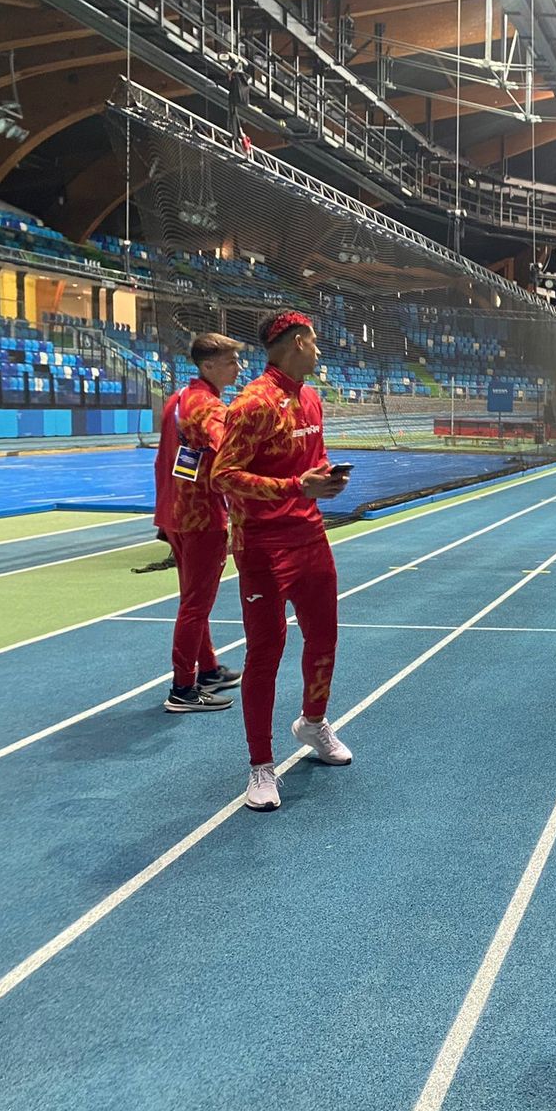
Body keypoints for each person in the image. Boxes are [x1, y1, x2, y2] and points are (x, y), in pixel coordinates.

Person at [213, 312, 352, 812]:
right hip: (262, 547)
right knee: (266, 652)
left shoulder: (310, 398)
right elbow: (222, 475)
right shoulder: (251, 404)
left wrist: (324, 481)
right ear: (297, 342)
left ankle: (312, 724)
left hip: (310, 534)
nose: (320, 352)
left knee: (324, 637)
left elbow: (309, 465)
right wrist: (296, 487)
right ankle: (260, 766)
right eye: (314, 343)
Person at [155, 332, 244, 712]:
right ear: (208, 366)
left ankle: (206, 668)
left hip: (173, 511)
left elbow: (164, 459)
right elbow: (231, 453)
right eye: (230, 362)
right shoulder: (208, 408)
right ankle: (183, 688)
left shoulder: (178, 399)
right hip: (201, 517)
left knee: (194, 599)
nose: (238, 368)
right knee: (195, 603)